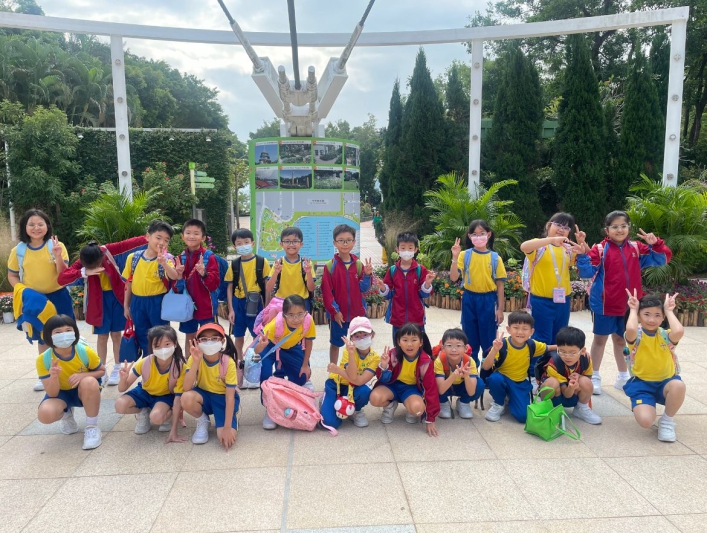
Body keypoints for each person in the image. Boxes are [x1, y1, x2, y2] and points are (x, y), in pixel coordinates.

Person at [576, 211, 672, 395]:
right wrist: (582, 256)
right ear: (607, 230)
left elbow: (662, 260)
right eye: (615, 226)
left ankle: (622, 376)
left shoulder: (637, 248)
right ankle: (594, 376)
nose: (619, 230)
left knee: (622, 340)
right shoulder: (600, 249)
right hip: (604, 305)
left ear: (629, 228)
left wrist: (656, 244)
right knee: (600, 340)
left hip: (630, 306)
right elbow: (586, 273)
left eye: (623, 226)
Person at [58, 237, 148, 386]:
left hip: (116, 298)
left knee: (116, 335)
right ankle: (102, 369)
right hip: (98, 301)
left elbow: (128, 243)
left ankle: (117, 367)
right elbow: (62, 279)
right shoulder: (82, 262)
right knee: (102, 336)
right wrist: (84, 271)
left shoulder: (108, 251)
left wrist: (148, 237)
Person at [8, 209, 72, 391]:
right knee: (43, 338)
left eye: (40, 224)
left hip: (59, 296)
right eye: (31, 224)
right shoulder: (18, 251)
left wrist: (58, 255)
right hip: (35, 300)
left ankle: (69, 370)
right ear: (25, 227)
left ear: (47, 226)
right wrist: (23, 291)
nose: (36, 228)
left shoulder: (57, 246)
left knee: (66, 335)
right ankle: (45, 374)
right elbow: (12, 275)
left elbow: (64, 274)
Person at [520, 212, 581, 386]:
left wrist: (582, 244)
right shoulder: (540, 247)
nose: (561, 229)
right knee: (541, 338)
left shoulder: (567, 249)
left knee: (559, 337)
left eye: (566, 227)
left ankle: (553, 371)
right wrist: (550, 240)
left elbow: (584, 258)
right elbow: (524, 246)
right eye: (558, 225)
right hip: (542, 301)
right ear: (549, 225)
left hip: (563, 301)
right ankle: (533, 374)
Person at [624, 291, 685, 442]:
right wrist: (633, 309)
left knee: (678, 385)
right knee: (646, 422)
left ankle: (667, 421)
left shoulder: (666, 335)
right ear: (639, 316)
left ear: (663, 318)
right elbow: (630, 329)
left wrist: (668, 311)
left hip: (666, 383)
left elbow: (679, 331)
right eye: (646, 314)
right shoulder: (636, 335)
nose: (652, 319)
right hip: (642, 385)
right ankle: (645, 404)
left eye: (657, 315)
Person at [35, 315, 104, 450]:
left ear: (75, 332)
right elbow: (52, 393)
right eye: (58, 332)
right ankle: (66, 415)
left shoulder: (84, 351)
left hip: (84, 390)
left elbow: (101, 371)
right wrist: (54, 376)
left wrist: (83, 375)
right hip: (61, 393)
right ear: (49, 336)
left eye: (68, 330)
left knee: (89, 382)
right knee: (45, 414)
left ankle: (92, 427)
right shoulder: (43, 359)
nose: (64, 335)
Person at [115, 325, 187, 441]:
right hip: (145, 392)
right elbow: (122, 388)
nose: (162, 349)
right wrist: (123, 379)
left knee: (157, 418)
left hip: (165, 396)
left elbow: (178, 397)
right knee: (120, 405)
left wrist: (174, 432)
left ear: (175, 344)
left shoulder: (180, 366)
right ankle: (143, 411)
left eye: (167, 344)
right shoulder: (145, 362)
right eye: (157, 346)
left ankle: (166, 414)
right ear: (152, 347)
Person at [450, 219, 507, 365]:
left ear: (489, 234)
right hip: (469, 299)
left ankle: (487, 370)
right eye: (474, 234)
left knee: (488, 338)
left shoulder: (495, 258)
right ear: (470, 236)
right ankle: (471, 369)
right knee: (470, 337)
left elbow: (500, 286)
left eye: (482, 233)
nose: (478, 237)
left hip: (488, 300)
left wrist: (500, 309)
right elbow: (454, 277)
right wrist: (455, 257)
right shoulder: (465, 255)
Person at [254, 295, 316, 430]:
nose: (296, 319)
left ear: (306, 312)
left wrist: (305, 365)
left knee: (302, 377)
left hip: (291, 346)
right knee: (265, 375)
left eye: (300, 314)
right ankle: (269, 408)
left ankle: (290, 394)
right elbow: (257, 351)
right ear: (284, 315)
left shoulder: (308, 321)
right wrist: (261, 345)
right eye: (291, 315)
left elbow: (309, 342)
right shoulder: (275, 325)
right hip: (271, 346)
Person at [369, 323, 440, 437]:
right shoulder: (392, 355)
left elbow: (431, 389)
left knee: (417, 409)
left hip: (411, 389)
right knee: (375, 398)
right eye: (405, 340)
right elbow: (383, 379)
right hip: (392, 386)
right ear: (398, 342)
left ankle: (410, 408)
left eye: (414, 340)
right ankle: (390, 405)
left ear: (421, 342)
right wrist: (384, 366)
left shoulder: (425, 362)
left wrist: (430, 419)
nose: (409, 344)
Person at [482, 311, 553, 423]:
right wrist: (494, 350)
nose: (520, 332)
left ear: (531, 331)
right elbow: (486, 367)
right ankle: (499, 403)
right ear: (508, 329)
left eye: (525, 329)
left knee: (523, 417)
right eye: (516, 327)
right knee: (495, 379)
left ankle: (510, 396)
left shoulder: (532, 345)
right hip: (503, 378)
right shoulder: (502, 345)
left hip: (520, 383)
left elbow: (548, 348)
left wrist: (568, 349)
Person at [122, 220, 180, 355]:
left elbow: (174, 276)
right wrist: (126, 305)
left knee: (162, 335)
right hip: (137, 302)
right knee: (142, 334)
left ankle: (164, 362)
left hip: (158, 302)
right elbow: (128, 283)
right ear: (148, 237)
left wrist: (164, 263)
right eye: (158, 238)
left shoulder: (167, 259)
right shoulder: (133, 258)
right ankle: (147, 361)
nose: (162, 242)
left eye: (166, 240)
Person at [180, 323, 239, 450]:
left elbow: (230, 397)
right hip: (203, 395)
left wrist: (227, 428)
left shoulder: (228, 362)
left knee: (224, 438)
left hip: (222, 398)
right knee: (186, 398)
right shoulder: (194, 358)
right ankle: (203, 420)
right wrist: (196, 361)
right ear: (198, 342)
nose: (209, 342)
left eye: (214, 338)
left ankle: (234, 414)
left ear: (222, 341)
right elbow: (186, 387)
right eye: (204, 339)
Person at [321, 224, 373, 364]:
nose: (345, 243)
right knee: (336, 343)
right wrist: (335, 311)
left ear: (354, 242)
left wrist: (367, 275)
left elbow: (364, 288)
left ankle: (359, 369)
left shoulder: (358, 265)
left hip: (358, 314)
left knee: (360, 343)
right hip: (339, 316)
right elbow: (327, 292)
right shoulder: (330, 266)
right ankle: (333, 370)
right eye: (341, 240)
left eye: (349, 240)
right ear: (335, 243)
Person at [225, 228, 271, 387]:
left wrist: (266, 309)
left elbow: (267, 286)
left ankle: (254, 367)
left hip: (256, 304)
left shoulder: (261, 262)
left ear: (252, 243)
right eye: (239, 243)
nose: (243, 245)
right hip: (238, 303)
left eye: (246, 242)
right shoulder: (234, 264)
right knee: (238, 336)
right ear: (234, 246)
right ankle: (240, 364)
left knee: (257, 337)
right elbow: (229, 287)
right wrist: (231, 309)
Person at [375, 232, 435, 350]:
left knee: (418, 348)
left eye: (410, 248)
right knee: (399, 349)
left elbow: (424, 294)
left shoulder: (420, 270)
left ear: (416, 249)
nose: (406, 251)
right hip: (398, 318)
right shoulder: (392, 270)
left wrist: (427, 283)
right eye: (403, 248)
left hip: (417, 318)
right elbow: (388, 295)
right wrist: (382, 287)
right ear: (397, 249)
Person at [321, 316, 380, 429]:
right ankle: (328, 399)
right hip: (336, 385)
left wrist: (339, 370)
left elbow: (358, 381)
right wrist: (351, 353)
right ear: (351, 339)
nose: (361, 339)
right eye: (357, 336)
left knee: (365, 391)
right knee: (330, 423)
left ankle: (356, 410)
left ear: (372, 335)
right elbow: (353, 376)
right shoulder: (348, 351)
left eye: (365, 335)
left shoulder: (375, 358)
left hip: (354, 387)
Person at [536, 326, 602, 425]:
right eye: (562, 352)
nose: (567, 356)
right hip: (556, 395)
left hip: (573, 394)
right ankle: (547, 408)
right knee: (551, 382)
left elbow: (588, 381)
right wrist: (571, 387)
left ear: (582, 351)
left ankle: (581, 408)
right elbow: (567, 394)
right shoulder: (553, 364)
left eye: (572, 353)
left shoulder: (586, 359)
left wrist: (579, 377)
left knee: (586, 382)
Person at [176, 219, 222, 350]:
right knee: (190, 338)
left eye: (196, 233)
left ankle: (209, 362)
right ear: (182, 236)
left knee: (209, 338)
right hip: (187, 307)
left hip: (206, 307)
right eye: (188, 233)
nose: (191, 236)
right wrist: (178, 276)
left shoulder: (209, 257)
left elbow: (214, 285)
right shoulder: (180, 258)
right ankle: (190, 362)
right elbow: (176, 287)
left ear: (203, 238)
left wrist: (204, 273)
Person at [435, 328, 484, 420]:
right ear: (443, 348)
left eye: (458, 345)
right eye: (449, 345)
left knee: (480, 384)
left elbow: (471, 392)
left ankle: (463, 403)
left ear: (465, 348)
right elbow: (440, 390)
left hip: (462, 387)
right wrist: (454, 375)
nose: (454, 349)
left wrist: (466, 376)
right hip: (446, 387)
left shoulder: (469, 361)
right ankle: (443, 402)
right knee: (432, 382)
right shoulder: (440, 361)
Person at [267, 227, 316, 309]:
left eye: (295, 241)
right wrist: (276, 272)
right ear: (281, 244)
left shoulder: (306, 264)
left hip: (302, 302)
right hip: (281, 303)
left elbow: (311, 288)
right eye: (287, 241)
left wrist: (308, 273)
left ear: (301, 244)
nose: (291, 244)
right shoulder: (278, 263)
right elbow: (269, 288)